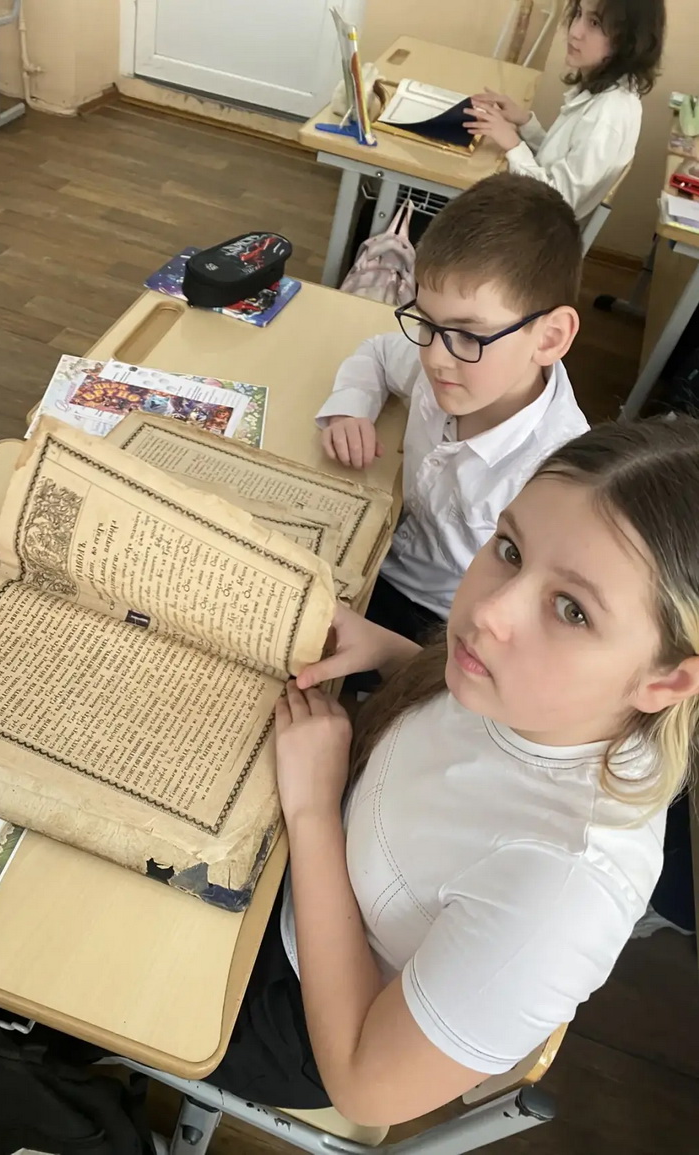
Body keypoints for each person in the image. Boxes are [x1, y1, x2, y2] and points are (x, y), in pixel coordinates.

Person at [209, 418, 699, 1124]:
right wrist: (392, 653)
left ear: (664, 681)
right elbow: (479, 747)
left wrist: (314, 812)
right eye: (510, 549)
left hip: (296, 1000)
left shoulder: (561, 893)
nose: (490, 611)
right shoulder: (541, 693)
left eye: (572, 610)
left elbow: (363, 1085)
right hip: (293, 850)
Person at [318, 172, 588, 655]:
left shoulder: (561, 480)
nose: (435, 357)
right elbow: (377, 353)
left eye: (468, 335)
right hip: (373, 555)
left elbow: (522, 642)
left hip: (444, 632)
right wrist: (350, 411)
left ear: (549, 338)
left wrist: (397, 655)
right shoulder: (449, 365)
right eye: (426, 321)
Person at [464, 0, 666, 225]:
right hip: (534, 220)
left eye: (594, 23)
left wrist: (513, 144)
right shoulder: (609, 92)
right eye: (578, 14)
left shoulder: (608, 115)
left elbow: (554, 204)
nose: (575, 32)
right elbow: (561, 162)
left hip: (533, 229)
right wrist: (525, 123)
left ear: (629, 40)